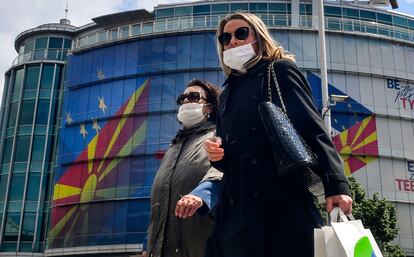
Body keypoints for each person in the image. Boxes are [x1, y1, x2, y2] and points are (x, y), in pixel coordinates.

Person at [203, 13, 353, 257]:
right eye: (225, 37)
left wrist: (336, 185)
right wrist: (216, 154)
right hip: (235, 211)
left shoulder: (279, 70)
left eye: (241, 33)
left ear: (259, 37)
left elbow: (314, 128)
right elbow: (227, 156)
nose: (232, 41)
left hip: (280, 201)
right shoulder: (226, 92)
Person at [146, 79, 222, 257]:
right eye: (182, 98)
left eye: (194, 96)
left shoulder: (217, 135)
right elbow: (161, 201)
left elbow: (221, 172)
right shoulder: (173, 148)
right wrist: (147, 243)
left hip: (201, 245)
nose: (186, 100)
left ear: (209, 107)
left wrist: (201, 195)